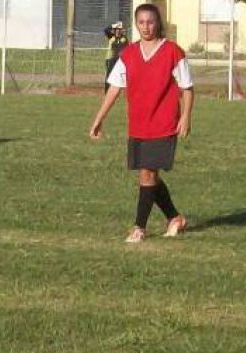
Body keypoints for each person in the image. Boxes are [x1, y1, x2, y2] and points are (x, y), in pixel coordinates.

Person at [89, 3, 194, 243]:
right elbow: (114, 88)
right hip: (138, 124)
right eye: (141, 22)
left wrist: (186, 116)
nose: (146, 26)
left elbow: (187, 88)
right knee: (150, 176)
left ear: (158, 23)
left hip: (164, 123)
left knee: (147, 174)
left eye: (151, 21)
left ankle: (139, 228)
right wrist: (98, 120)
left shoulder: (173, 52)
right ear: (136, 25)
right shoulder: (128, 54)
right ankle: (175, 218)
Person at [103, 21, 129, 91]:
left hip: (120, 60)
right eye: (116, 30)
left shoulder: (124, 39)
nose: (117, 31)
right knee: (108, 76)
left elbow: (125, 47)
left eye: (119, 30)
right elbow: (106, 30)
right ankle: (107, 91)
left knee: (123, 75)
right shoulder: (111, 38)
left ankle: (124, 89)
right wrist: (114, 25)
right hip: (111, 59)